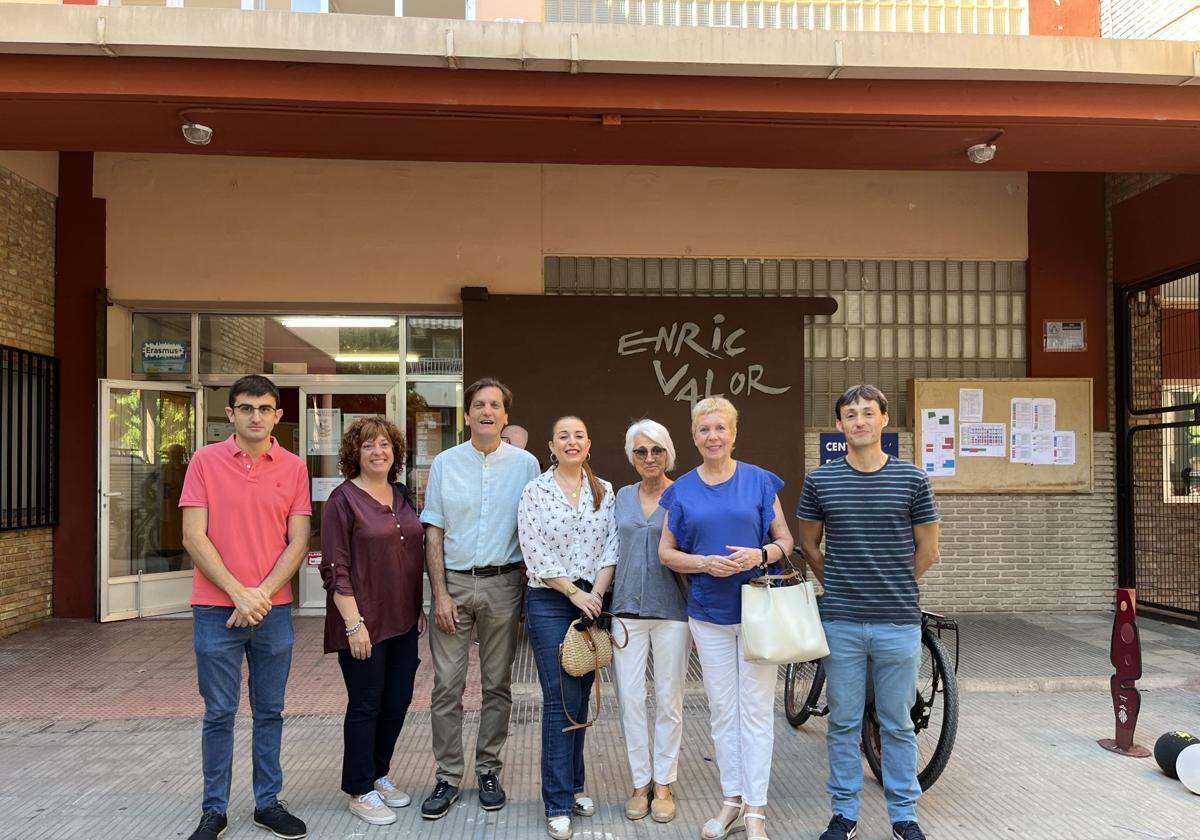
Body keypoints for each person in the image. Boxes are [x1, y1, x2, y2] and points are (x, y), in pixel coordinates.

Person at [796, 384, 941, 840]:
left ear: (884, 420)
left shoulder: (913, 479)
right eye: (850, 415)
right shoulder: (821, 480)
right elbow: (809, 544)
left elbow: (929, 550)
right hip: (840, 621)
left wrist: (892, 583)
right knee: (842, 722)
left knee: (897, 723)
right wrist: (837, 583)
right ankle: (844, 813)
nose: (859, 421)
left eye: (868, 413)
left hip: (897, 620)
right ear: (839, 425)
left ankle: (904, 816)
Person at [179, 375, 311, 840]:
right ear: (230, 413)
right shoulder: (204, 461)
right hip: (216, 609)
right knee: (219, 712)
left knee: (269, 710)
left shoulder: (294, 467)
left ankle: (267, 802)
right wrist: (239, 592)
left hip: (272, 613)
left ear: (278, 415)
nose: (256, 416)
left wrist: (261, 596)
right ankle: (214, 810)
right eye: (246, 407)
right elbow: (194, 536)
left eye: (265, 408)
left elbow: (298, 541)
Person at [659, 397, 793, 840]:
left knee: (755, 712)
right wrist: (702, 564)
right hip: (709, 615)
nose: (712, 436)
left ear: (734, 433)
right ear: (693, 436)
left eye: (720, 428)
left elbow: (785, 540)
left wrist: (761, 554)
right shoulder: (680, 490)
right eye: (704, 430)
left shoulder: (759, 482)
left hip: (758, 612)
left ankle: (757, 809)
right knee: (721, 712)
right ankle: (731, 801)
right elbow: (667, 553)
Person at [419, 377, 540, 819]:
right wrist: (440, 593)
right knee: (446, 686)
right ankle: (448, 776)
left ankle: (488, 768)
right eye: (478, 405)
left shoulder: (526, 465)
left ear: (506, 416)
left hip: (504, 586)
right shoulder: (446, 464)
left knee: (497, 685)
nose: (487, 411)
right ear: (466, 415)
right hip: (452, 584)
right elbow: (433, 531)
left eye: (495, 405)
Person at [319, 416, 426, 826]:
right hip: (362, 623)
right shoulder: (342, 501)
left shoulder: (400, 495)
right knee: (366, 704)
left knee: (396, 702)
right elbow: (335, 567)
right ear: (354, 454)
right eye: (368, 446)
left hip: (402, 619)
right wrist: (352, 623)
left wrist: (419, 607)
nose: (378, 452)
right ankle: (359, 789)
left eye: (384, 444)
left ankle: (379, 773)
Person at [517, 415, 619, 840]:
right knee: (560, 697)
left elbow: (613, 544)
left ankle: (575, 786)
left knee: (580, 696)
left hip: (594, 599)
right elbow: (533, 549)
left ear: (588, 444)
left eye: (579, 435)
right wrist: (574, 594)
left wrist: (595, 594)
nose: (572, 442)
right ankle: (557, 801)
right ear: (552, 446)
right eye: (564, 436)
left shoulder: (605, 491)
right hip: (550, 599)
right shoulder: (535, 492)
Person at [611, 419, 690, 824]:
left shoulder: (684, 494)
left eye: (656, 450)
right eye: (641, 451)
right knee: (629, 698)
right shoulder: (620, 496)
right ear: (631, 456)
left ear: (668, 453)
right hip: (625, 609)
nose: (649, 458)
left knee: (669, 699)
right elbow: (608, 548)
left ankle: (664, 782)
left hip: (672, 610)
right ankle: (640, 782)